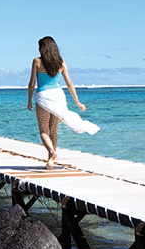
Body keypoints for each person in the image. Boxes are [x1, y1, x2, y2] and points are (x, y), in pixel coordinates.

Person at [27, 36, 99, 168]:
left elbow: (32, 83)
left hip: (43, 97)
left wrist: (29, 100)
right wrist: (78, 102)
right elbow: (69, 83)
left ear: (43, 48)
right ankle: (50, 161)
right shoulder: (61, 62)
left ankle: (51, 152)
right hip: (58, 96)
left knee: (43, 130)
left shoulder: (36, 62)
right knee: (53, 130)